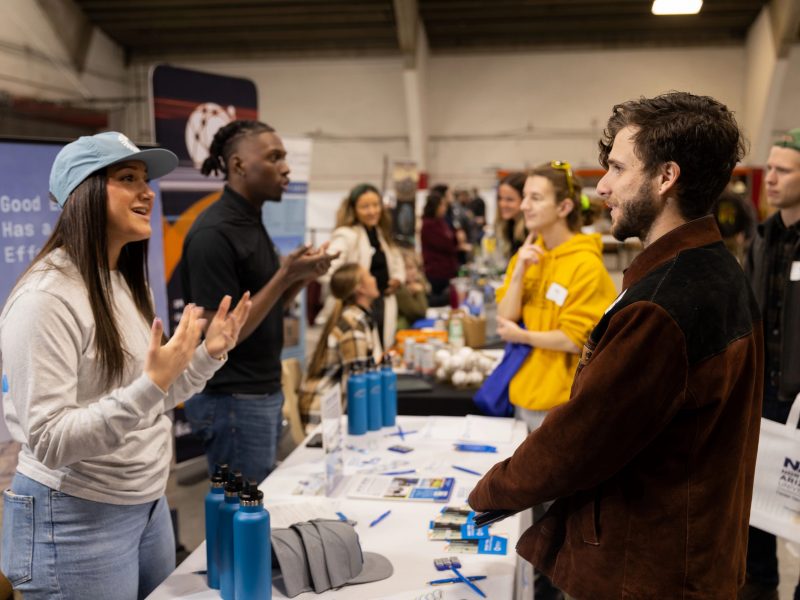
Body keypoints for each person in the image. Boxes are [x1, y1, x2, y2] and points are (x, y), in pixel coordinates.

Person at [468, 92, 762, 599]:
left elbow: (582, 438)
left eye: (618, 169)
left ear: (666, 177)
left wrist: (486, 492)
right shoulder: (715, 269)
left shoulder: (663, 304)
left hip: (646, 569)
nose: (601, 187)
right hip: (691, 556)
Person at [0, 132, 251, 599]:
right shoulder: (45, 299)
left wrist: (205, 357)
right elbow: (51, 440)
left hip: (145, 504)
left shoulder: (122, 283)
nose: (148, 191)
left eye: (146, 179)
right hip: (73, 518)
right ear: (85, 194)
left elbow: (150, 402)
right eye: (127, 178)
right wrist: (152, 383)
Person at [179, 120, 334, 483]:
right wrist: (285, 275)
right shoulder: (214, 233)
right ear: (238, 165)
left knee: (255, 505)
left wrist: (300, 277)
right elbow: (223, 334)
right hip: (234, 399)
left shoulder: (249, 221)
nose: (286, 167)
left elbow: (265, 309)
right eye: (274, 157)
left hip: (259, 391)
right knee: (241, 515)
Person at [495, 162, 617, 431]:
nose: (524, 205)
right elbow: (506, 316)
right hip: (523, 395)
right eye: (525, 196)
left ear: (563, 207)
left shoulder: (586, 265)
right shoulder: (526, 256)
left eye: (535, 198)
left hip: (562, 404)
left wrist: (523, 336)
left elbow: (576, 340)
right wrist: (518, 274)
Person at [741, 128, 800, 600]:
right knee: (755, 511)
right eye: (771, 168)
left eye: (783, 170)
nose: (771, 178)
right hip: (763, 396)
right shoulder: (761, 238)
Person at [319, 183, 404, 350]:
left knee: (380, 350)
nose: (372, 211)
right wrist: (355, 285)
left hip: (382, 305)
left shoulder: (382, 234)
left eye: (375, 205)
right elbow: (326, 271)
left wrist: (397, 279)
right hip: (356, 307)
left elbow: (397, 262)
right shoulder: (346, 236)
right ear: (354, 209)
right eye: (365, 207)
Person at [300, 263, 382, 423]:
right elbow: (357, 385)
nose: (374, 279)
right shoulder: (353, 326)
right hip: (324, 414)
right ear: (360, 288)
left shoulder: (357, 318)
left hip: (329, 407)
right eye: (369, 276)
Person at [420, 191, 459, 307]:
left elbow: (453, 240)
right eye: (442, 205)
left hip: (447, 270)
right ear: (435, 207)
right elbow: (447, 244)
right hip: (436, 271)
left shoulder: (441, 222)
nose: (444, 208)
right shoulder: (428, 225)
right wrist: (454, 239)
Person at [495, 171, 529, 261]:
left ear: (524, 200)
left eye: (509, 199)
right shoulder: (509, 225)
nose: (502, 204)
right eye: (500, 198)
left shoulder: (529, 231)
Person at [395, 249, 429, 330]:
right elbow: (420, 313)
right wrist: (419, 292)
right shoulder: (399, 289)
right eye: (407, 268)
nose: (412, 272)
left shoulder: (414, 284)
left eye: (414, 267)